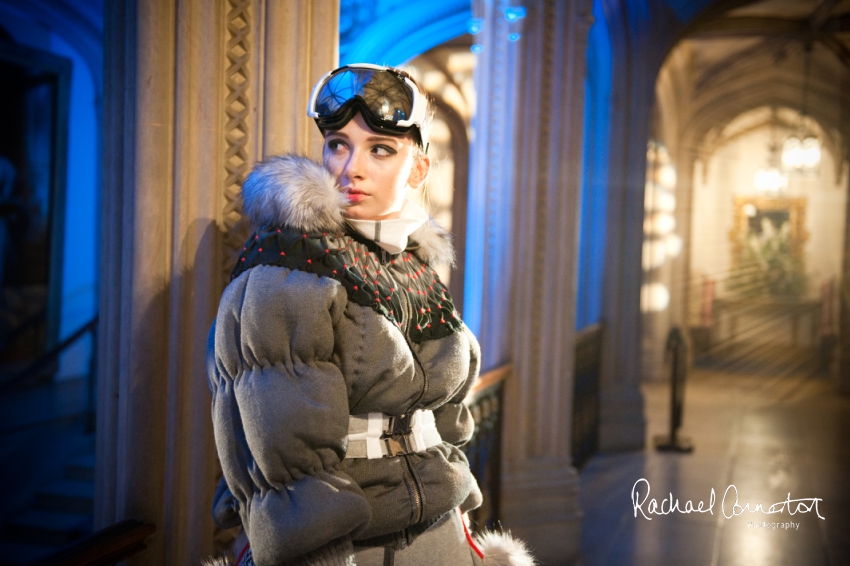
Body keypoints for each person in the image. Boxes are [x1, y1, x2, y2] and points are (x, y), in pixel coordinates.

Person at [206, 64, 533, 566]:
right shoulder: (287, 269)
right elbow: (290, 464)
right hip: (352, 542)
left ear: (417, 169)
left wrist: (461, 513)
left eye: (380, 149)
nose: (350, 167)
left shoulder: (414, 263)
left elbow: (447, 417)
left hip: (441, 529)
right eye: (339, 143)